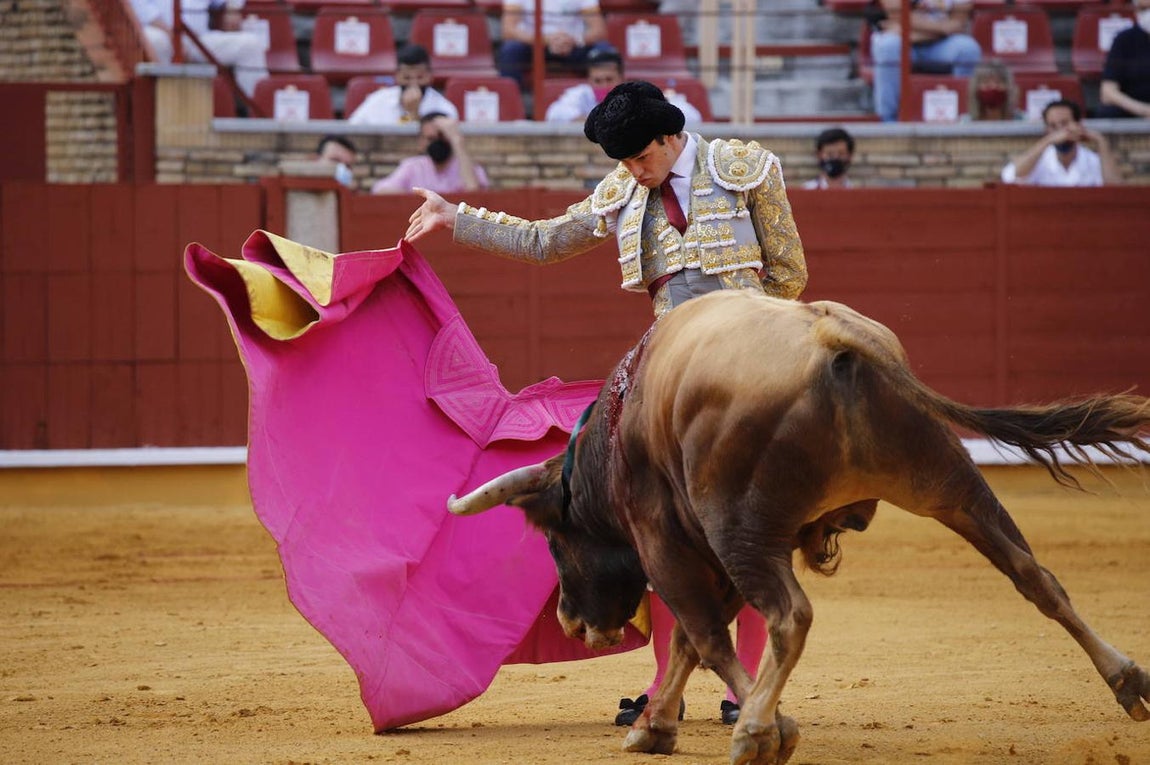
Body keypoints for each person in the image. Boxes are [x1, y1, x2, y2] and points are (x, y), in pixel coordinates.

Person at [404, 80, 808, 724]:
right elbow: (545, 241)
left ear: (672, 136)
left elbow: (788, 273)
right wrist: (457, 217)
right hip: (669, 373)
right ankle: (665, 686)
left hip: (747, 365)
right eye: (624, 162)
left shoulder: (747, 168)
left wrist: (758, 352)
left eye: (642, 158)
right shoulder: (624, 190)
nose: (634, 172)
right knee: (654, 520)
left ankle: (747, 688)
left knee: (750, 532)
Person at [870, 0, 982, 122]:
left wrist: (908, 31)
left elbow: (958, 23)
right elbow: (896, 13)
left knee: (968, 49)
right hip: (902, 42)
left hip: (942, 44)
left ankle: (963, 115)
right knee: (888, 46)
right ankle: (889, 120)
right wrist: (944, 28)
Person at [130, 0, 268, 97]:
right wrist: (173, 36)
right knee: (154, 40)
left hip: (198, 39)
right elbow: (139, 7)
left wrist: (231, 9)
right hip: (161, 34)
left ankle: (260, 116)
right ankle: (162, 109)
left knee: (250, 45)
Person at [544, 46, 703, 126]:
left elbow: (693, 116)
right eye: (598, 81)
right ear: (589, 81)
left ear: (621, 79)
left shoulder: (639, 92)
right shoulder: (581, 94)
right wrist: (599, 121)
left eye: (609, 79)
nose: (604, 85)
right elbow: (553, 114)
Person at [1001, 99, 1122, 186]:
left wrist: (1101, 141)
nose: (1060, 132)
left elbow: (1116, 189)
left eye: (1064, 124)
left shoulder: (1091, 160)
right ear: (1046, 130)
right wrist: (1047, 141)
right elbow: (1010, 177)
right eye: (1053, 126)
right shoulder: (1040, 160)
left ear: (1078, 124)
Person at [498, 0, 613, 86]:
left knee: (603, 51)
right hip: (533, 45)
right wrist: (544, 40)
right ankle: (512, 105)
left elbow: (599, 30)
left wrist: (574, 40)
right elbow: (508, 30)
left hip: (573, 45)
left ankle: (608, 103)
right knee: (510, 50)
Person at [372, 114, 488, 195]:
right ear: (421, 142)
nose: (437, 143)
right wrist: (423, 198)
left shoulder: (466, 166)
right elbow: (380, 190)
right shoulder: (413, 166)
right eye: (431, 139)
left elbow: (474, 193)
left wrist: (457, 141)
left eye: (442, 138)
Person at [347, 44, 459, 125]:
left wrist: (413, 113)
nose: (413, 84)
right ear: (397, 76)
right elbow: (352, 129)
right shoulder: (378, 100)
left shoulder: (444, 108)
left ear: (430, 76)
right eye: (407, 78)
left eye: (420, 77)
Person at [1098, 0, 1150, 119]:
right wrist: (1145, 110)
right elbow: (1108, 92)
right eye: (1144, 9)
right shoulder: (1124, 39)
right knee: (1108, 112)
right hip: (1135, 108)